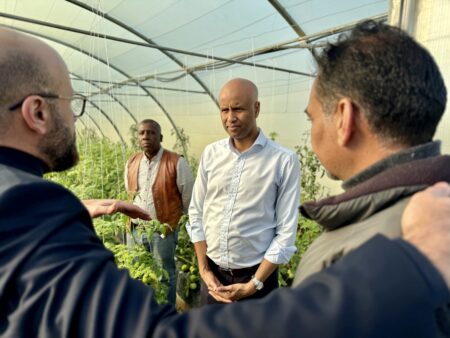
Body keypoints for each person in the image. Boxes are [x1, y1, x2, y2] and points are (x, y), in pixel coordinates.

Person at [1, 25, 450, 338]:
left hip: (253, 283)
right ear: (37, 112)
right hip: (215, 278)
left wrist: (255, 284)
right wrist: (411, 266)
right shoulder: (25, 208)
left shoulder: (287, 166)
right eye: (70, 102)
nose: (77, 116)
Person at [293, 20, 450, 284]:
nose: (313, 130)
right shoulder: (436, 215)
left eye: (313, 118)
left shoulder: (361, 257)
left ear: (344, 118)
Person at [188, 78, 301, 304]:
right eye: (224, 110)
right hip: (212, 279)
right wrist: (204, 270)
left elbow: (286, 233)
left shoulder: (283, 161)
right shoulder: (211, 154)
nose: (230, 118)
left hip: (257, 280)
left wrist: (253, 285)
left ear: (256, 108)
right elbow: (196, 213)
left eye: (238, 109)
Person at [125, 119, 194, 305]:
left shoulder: (176, 162)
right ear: (138, 137)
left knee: (165, 274)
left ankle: (166, 313)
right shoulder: (132, 162)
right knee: (137, 271)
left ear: (161, 137)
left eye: (151, 132)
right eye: (142, 133)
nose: (146, 136)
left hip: (162, 230)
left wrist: (181, 225)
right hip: (135, 229)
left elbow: (188, 198)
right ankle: (141, 309)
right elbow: (130, 193)